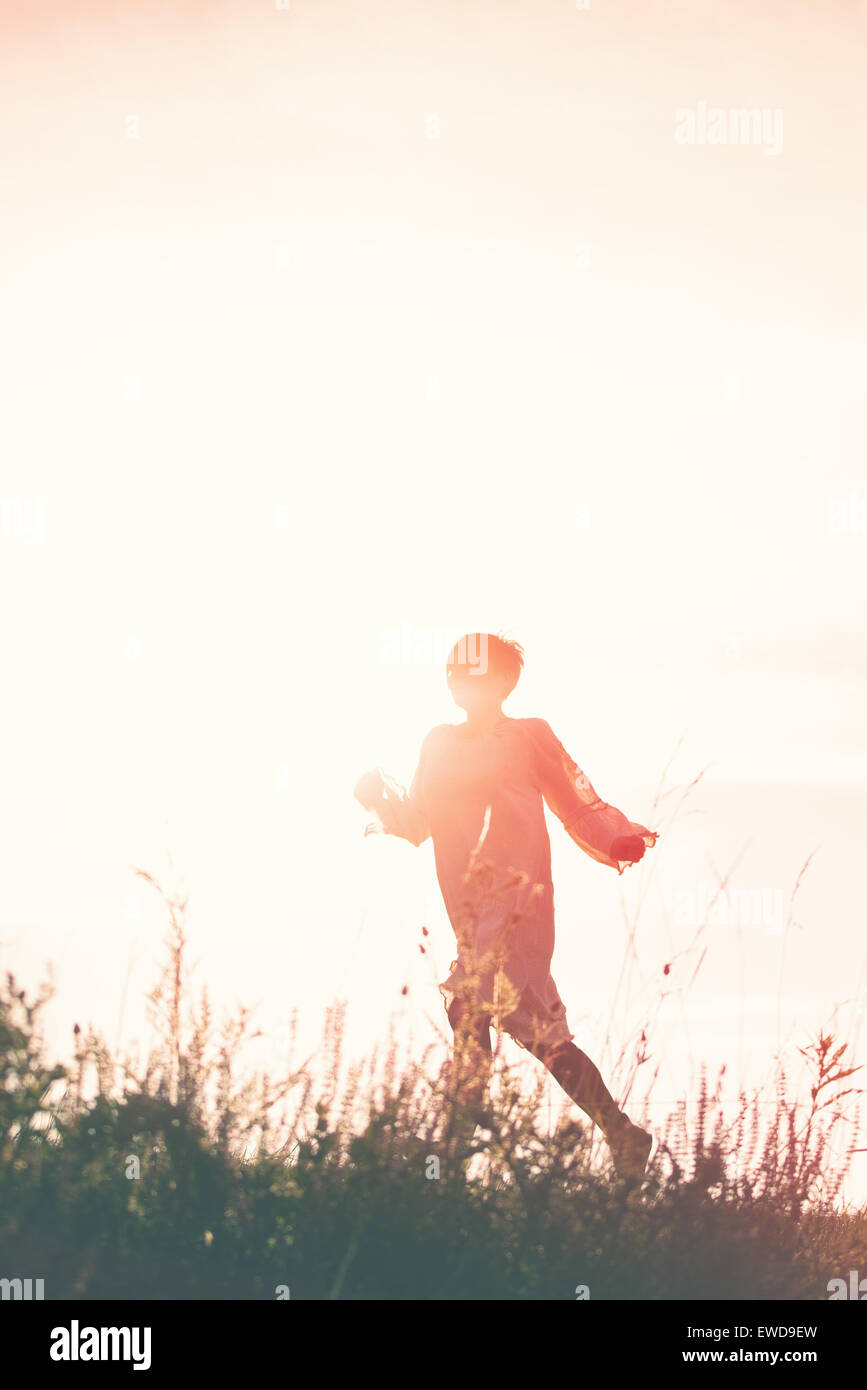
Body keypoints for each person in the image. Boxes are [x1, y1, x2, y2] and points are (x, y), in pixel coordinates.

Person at [354, 632, 657, 1181]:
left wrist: (617, 839)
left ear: (502, 681)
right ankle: (621, 1132)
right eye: (454, 671)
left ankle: (450, 1160)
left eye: (473, 672)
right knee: (532, 1029)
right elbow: (419, 822)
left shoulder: (527, 736)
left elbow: (574, 800)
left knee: (472, 1007)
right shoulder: (437, 743)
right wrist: (378, 797)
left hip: (519, 904)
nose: (460, 681)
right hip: (468, 909)